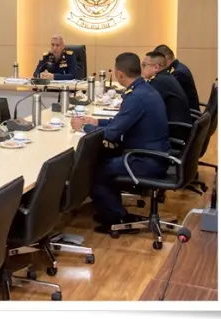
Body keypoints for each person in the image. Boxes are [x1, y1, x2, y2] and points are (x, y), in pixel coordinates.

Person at [70, 52, 170, 233]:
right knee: (102, 159)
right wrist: (96, 122)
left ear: (119, 74)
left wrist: (83, 128)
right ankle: (112, 211)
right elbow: (120, 122)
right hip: (154, 155)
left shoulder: (136, 97)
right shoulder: (143, 90)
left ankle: (117, 218)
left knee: (94, 171)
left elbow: (112, 134)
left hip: (145, 160)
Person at [141, 51, 192, 142]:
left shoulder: (160, 81)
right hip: (178, 129)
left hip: (174, 132)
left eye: (144, 65)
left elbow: (142, 103)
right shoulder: (165, 77)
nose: (142, 68)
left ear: (156, 67)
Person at [154, 44, 200, 111]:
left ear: (164, 59)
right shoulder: (178, 67)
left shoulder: (178, 73)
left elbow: (164, 96)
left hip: (185, 114)